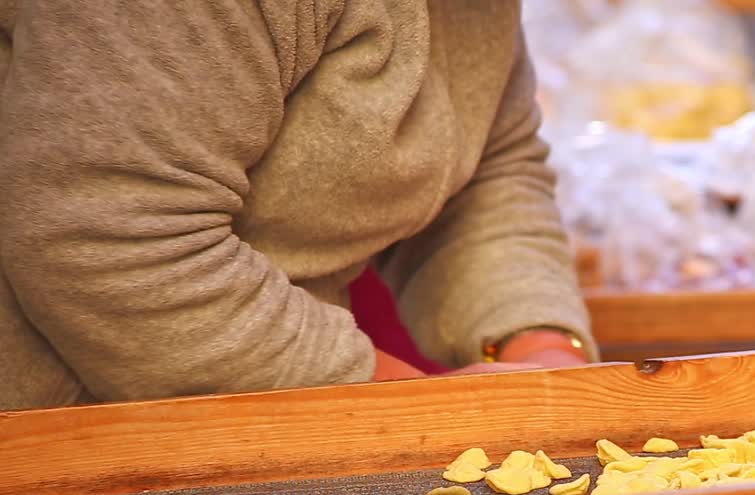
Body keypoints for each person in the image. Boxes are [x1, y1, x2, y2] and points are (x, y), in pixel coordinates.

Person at [0, 0, 596, 412]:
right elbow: (106, 238)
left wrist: (540, 352)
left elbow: (489, 176)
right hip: (48, 448)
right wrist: (411, 405)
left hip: (249, 422)